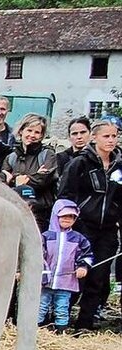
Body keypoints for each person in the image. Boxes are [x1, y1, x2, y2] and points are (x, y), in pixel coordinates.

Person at [58, 119, 121, 331]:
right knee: (77, 274)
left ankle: (85, 322)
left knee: (99, 275)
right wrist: (73, 221)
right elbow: (66, 194)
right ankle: (62, 319)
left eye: (114, 136)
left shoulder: (119, 165)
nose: (111, 140)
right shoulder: (80, 163)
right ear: (94, 138)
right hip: (83, 226)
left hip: (109, 228)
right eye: (106, 136)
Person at [38, 200, 93, 333]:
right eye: (63, 216)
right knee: (40, 306)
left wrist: (83, 266)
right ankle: (36, 329)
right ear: (55, 216)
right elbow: (37, 256)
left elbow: (87, 255)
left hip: (66, 281)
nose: (67, 219)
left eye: (71, 217)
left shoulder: (78, 238)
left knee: (62, 307)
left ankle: (60, 331)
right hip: (45, 280)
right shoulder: (45, 237)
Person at [2, 113, 57, 231]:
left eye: (37, 132)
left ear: (42, 135)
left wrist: (14, 179)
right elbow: (2, 180)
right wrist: (17, 179)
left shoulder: (47, 155)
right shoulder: (11, 157)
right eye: (29, 130)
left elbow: (43, 180)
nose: (32, 135)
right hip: (14, 210)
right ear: (21, 131)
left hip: (40, 213)